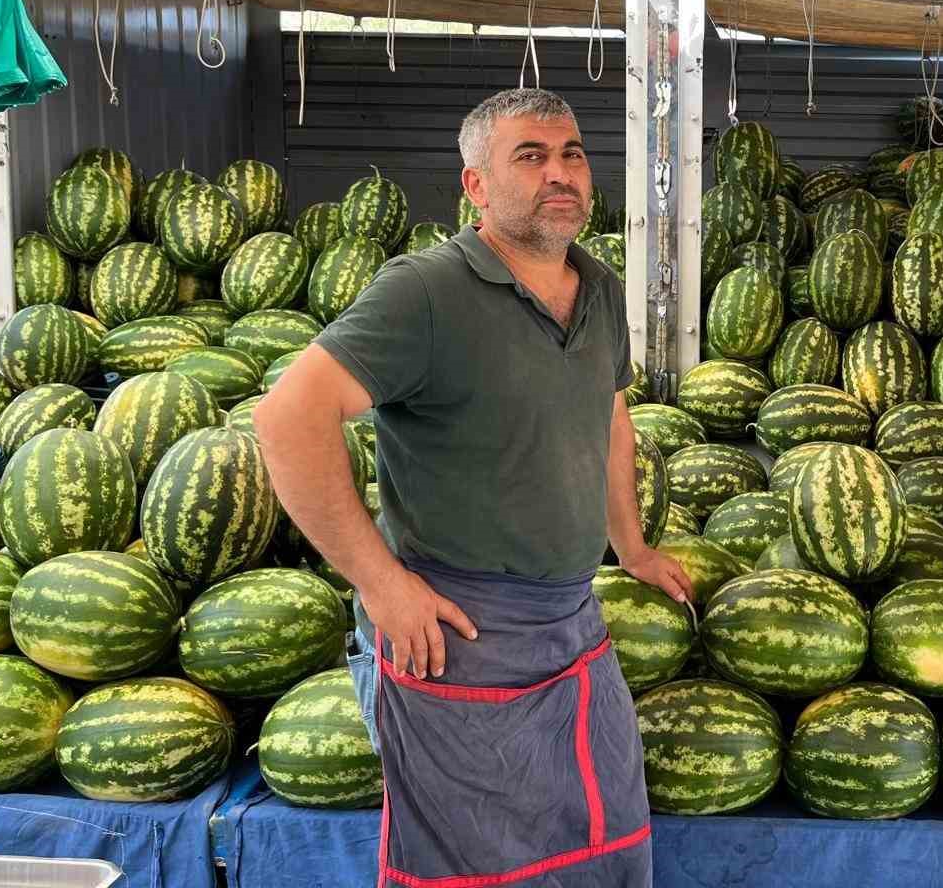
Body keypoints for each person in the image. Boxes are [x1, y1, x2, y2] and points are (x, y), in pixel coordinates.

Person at [255, 86, 692, 888]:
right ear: (476, 186)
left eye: (572, 154)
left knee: (604, 848)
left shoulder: (598, 285)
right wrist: (382, 585)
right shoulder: (424, 291)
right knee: (473, 869)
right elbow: (287, 420)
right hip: (457, 635)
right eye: (530, 156)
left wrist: (629, 546)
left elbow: (609, 411)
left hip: (571, 622)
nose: (559, 173)